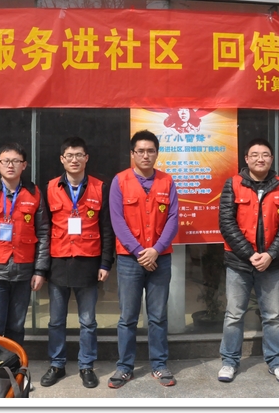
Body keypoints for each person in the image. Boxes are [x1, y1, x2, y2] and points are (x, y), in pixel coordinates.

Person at [217, 138, 279, 384]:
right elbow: (226, 223)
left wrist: (270, 255)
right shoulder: (233, 184)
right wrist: (250, 254)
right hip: (239, 263)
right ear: (246, 159)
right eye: (255, 154)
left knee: (272, 316)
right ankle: (229, 361)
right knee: (234, 315)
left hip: (270, 264)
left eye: (265, 155)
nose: (260, 159)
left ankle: (276, 362)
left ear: (271, 159)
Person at [40, 137, 115, 389]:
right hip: (58, 262)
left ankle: (86, 365)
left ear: (86, 158)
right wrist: (42, 267)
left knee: (88, 321)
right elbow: (43, 229)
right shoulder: (50, 187)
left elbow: (107, 228)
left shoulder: (100, 187)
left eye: (79, 155)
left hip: (88, 262)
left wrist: (105, 263)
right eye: (69, 156)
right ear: (62, 159)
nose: (74, 160)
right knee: (56, 320)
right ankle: (57, 364)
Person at [107, 130, 179, 388]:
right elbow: (117, 221)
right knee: (128, 317)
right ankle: (124, 367)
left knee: (158, 316)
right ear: (133, 154)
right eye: (141, 151)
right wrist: (140, 251)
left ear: (157, 153)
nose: (146, 155)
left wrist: (156, 250)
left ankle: (159, 365)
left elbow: (173, 219)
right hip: (130, 259)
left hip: (160, 258)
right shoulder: (120, 181)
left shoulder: (167, 181)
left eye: (150, 151)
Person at [0, 143, 50, 346]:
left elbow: (43, 233)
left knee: (16, 326)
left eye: (16, 161)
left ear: (24, 165)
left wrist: (40, 271)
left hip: (24, 270)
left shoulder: (34, 193)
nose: (10, 165)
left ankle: (14, 363)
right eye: (6, 161)